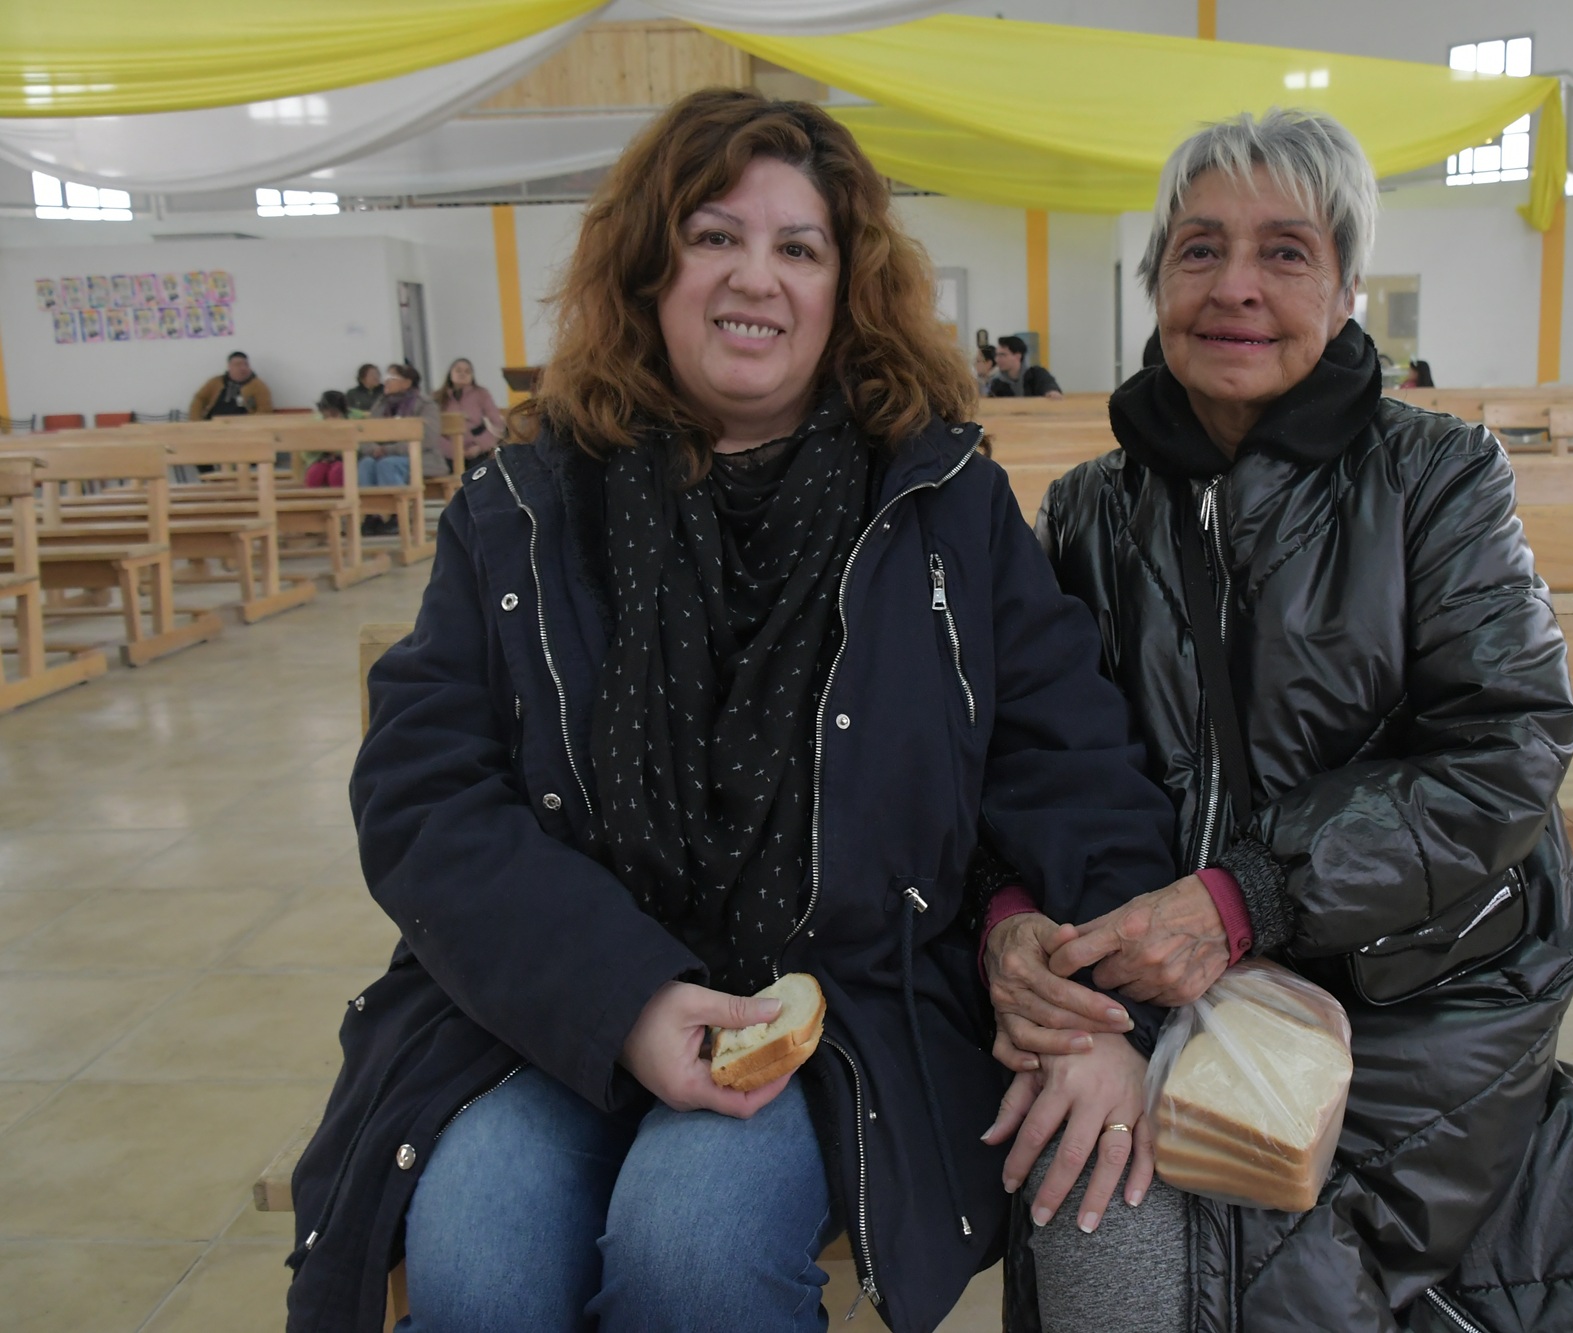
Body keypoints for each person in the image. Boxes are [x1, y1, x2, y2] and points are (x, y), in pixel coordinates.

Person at [284, 87, 1178, 1333]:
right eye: (714, 236)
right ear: (651, 270)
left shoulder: (942, 509)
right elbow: (423, 793)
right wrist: (626, 999)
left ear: (842, 291)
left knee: (688, 1247)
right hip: (552, 1001)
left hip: (845, 1006)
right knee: (475, 1251)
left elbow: (1070, 767)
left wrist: (1105, 1011)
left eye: (797, 247)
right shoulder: (525, 509)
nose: (754, 276)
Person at [982, 109, 1573, 1333]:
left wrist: (1245, 898)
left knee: (1275, 1264)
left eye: (1284, 251)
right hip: (1155, 967)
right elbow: (1029, 756)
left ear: (1343, 287)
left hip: (1417, 978)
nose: (1235, 289)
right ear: (1155, 275)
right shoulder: (1088, 512)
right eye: (1199, 248)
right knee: (1085, 1201)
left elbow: (1506, 747)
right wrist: (1010, 915)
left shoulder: (1436, 478)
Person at [434, 357, 508, 459]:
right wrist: (454, 451)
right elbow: (433, 429)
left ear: (472, 376)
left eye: (467, 371)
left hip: (478, 449)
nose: (462, 374)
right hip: (448, 452)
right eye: (458, 370)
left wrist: (480, 446)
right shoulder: (437, 397)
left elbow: (497, 425)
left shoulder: (481, 393)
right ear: (450, 374)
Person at [189, 350, 273, 419]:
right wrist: (196, 420)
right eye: (238, 365)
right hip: (213, 426)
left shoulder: (258, 386)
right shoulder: (215, 382)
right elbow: (199, 399)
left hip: (243, 429)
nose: (243, 368)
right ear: (229, 367)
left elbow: (265, 411)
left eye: (246, 364)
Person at [989, 335, 1062, 398]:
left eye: (1002, 355)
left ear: (1018, 356)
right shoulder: (997, 384)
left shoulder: (1037, 374)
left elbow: (1049, 385)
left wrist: (1052, 392)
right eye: (997, 355)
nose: (997, 360)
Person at [303, 391, 347, 488]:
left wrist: (337, 454)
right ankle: (313, 502)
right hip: (319, 459)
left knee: (337, 472)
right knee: (315, 473)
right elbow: (305, 449)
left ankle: (339, 500)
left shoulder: (350, 420)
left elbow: (358, 445)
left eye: (334, 413)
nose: (330, 417)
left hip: (344, 459)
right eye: (326, 413)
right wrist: (322, 453)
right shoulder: (315, 423)